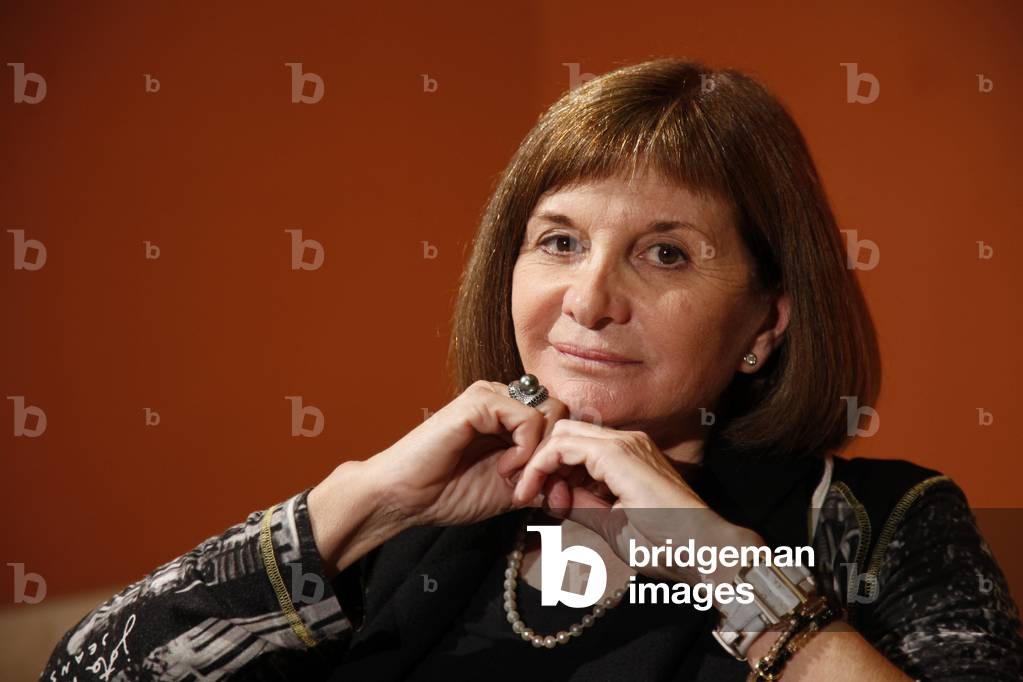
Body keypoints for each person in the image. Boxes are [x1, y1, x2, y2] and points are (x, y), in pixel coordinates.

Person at [42, 58, 1023, 682]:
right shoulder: (415, 525)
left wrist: (727, 571)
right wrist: (362, 503)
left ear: (764, 326)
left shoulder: (882, 524)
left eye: (665, 253)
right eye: (558, 242)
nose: (588, 300)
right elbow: (82, 670)